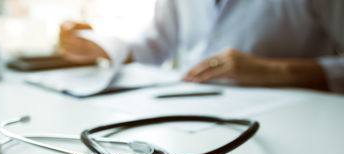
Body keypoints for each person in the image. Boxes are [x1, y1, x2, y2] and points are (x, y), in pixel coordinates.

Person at [58, 0, 344, 93]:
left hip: (296, 119)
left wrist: (277, 71)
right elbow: (158, 44)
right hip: (190, 110)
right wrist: (102, 47)